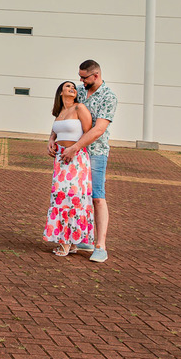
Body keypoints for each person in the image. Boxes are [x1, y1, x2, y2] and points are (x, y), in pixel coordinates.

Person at [48, 59, 116, 263]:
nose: (80, 81)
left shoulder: (108, 97)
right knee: (74, 196)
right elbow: (63, 115)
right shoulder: (78, 90)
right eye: (79, 77)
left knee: (97, 196)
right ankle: (80, 238)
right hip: (72, 154)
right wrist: (52, 138)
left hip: (95, 152)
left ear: (96, 75)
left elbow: (99, 129)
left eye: (84, 77)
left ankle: (100, 245)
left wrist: (75, 147)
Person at [42, 81, 94, 257]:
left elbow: (88, 132)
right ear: (60, 92)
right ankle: (69, 242)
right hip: (60, 159)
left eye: (73, 87)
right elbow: (55, 131)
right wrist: (51, 140)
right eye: (68, 87)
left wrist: (74, 149)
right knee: (59, 197)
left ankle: (66, 242)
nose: (72, 89)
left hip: (76, 159)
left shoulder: (79, 108)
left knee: (72, 198)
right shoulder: (60, 113)